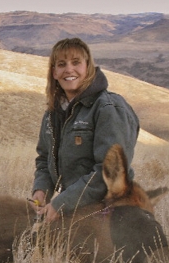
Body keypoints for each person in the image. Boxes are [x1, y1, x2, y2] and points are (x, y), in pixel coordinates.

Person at [31, 37, 140, 223]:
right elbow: (44, 159)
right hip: (76, 205)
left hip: (112, 209)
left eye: (76, 63)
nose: (69, 70)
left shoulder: (108, 108)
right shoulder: (53, 114)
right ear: (54, 72)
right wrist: (41, 190)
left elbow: (111, 171)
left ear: (88, 67)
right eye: (61, 64)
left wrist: (62, 203)